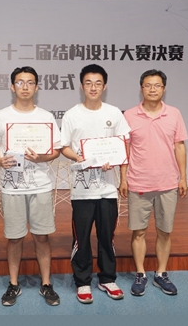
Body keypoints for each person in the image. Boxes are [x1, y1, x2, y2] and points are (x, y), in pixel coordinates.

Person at [0, 66, 62, 307]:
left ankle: (46, 283)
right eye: (20, 82)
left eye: (30, 82)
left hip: (40, 185)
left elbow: (56, 150)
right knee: (14, 238)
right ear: (12, 87)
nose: (25, 87)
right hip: (12, 187)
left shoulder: (46, 117)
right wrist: (0, 160)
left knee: (42, 236)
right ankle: (13, 283)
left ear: (37, 87)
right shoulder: (1, 116)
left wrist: (41, 158)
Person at [60, 64, 131, 304]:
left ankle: (107, 278)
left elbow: (123, 145)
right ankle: (82, 281)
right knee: (81, 237)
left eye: (98, 83)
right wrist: (79, 157)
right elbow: (64, 146)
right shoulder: (72, 114)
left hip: (108, 188)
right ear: (81, 86)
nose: (93, 87)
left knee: (107, 236)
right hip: (82, 190)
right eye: (88, 83)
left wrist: (123, 177)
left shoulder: (114, 113)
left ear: (105, 86)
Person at [119, 69, 188, 297]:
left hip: (167, 183)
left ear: (164, 89)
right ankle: (140, 273)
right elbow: (125, 149)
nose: (152, 89)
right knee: (138, 232)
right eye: (148, 85)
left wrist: (183, 177)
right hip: (139, 182)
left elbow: (179, 146)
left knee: (164, 231)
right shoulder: (129, 115)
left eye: (157, 85)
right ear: (141, 88)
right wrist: (123, 179)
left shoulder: (174, 114)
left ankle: (161, 273)